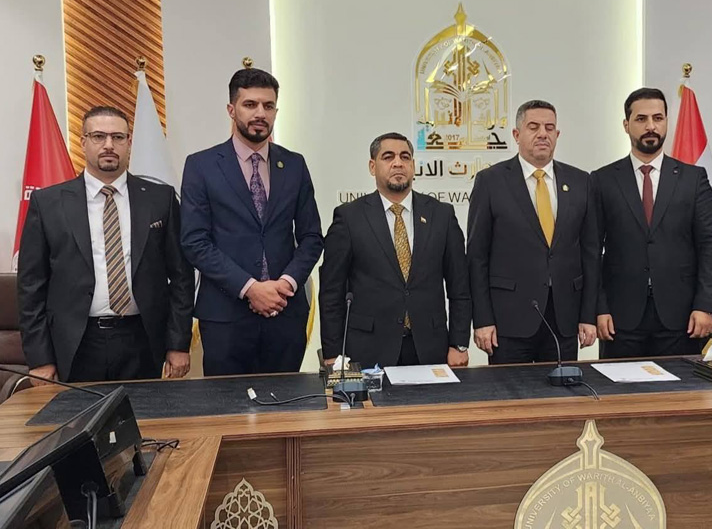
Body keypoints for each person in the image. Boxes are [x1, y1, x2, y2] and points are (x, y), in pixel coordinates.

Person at [18, 106, 194, 384]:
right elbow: (31, 286)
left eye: (118, 137)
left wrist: (178, 343)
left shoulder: (160, 199)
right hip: (75, 341)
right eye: (99, 136)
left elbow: (182, 277)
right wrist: (40, 359)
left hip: (143, 339)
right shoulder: (49, 203)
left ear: (129, 142)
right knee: (79, 413)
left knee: (143, 413)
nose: (109, 145)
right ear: (83, 141)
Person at [180, 68, 323, 375]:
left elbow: (311, 237)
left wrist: (285, 284)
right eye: (250, 105)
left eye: (268, 106)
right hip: (226, 317)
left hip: (285, 314)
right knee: (228, 404)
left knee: (287, 402)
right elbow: (195, 242)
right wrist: (250, 288)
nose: (260, 113)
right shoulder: (201, 165)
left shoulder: (294, 164)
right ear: (231, 109)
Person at [319, 133, 471, 368]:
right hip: (367, 350)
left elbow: (459, 286)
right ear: (372, 166)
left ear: (413, 166)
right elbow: (331, 291)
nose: (398, 163)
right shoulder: (349, 217)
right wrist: (333, 353)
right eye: (388, 157)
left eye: (405, 157)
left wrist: (459, 344)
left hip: (430, 348)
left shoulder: (441, 214)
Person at [592, 88, 712, 358]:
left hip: (683, 316)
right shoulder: (602, 180)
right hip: (620, 318)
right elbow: (591, 249)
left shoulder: (693, 178)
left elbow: (711, 244)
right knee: (621, 386)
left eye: (658, 118)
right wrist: (599, 307)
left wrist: (706, 305)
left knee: (681, 386)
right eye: (641, 119)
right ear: (626, 125)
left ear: (666, 122)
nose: (650, 126)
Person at [467, 100, 599, 364]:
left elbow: (591, 252)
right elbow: (476, 256)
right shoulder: (491, 181)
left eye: (549, 128)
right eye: (533, 127)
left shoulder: (580, 181)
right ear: (517, 135)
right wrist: (482, 320)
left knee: (562, 389)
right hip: (509, 319)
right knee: (510, 390)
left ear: (557, 135)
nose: (542, 134)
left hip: (563, 318)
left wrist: (588, 315)